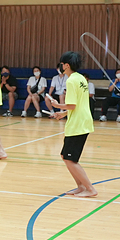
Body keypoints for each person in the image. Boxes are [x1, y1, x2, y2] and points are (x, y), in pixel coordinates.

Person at [45, 51, 96, 198]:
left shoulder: (72, 80)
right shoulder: (80, 78)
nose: (60, 67)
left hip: (78, 124)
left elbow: (72, 105)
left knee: (70, 158)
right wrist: (63, 113)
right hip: (82, 120)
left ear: (66, 65)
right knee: (65, 156)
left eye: (61, 64)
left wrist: (57, 105)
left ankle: (90, 188)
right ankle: (80, 186)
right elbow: (78, 104)